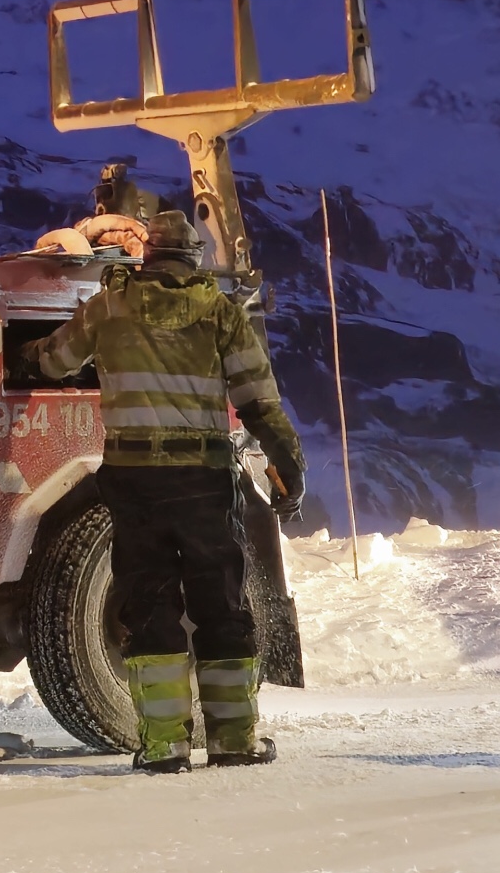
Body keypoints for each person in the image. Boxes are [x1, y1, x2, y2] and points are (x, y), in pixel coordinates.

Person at [30, 207, 308, 771]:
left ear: (147, 257)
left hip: (134, 484)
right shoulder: (221, 314)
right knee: (221, 606)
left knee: (149, 606)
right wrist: (289, 471)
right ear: (194, 259)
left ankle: (164, 745)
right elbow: (259, 403)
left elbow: (55, 362)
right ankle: (233, 740)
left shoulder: (107, 307)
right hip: (204, 481)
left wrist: (23, 355)